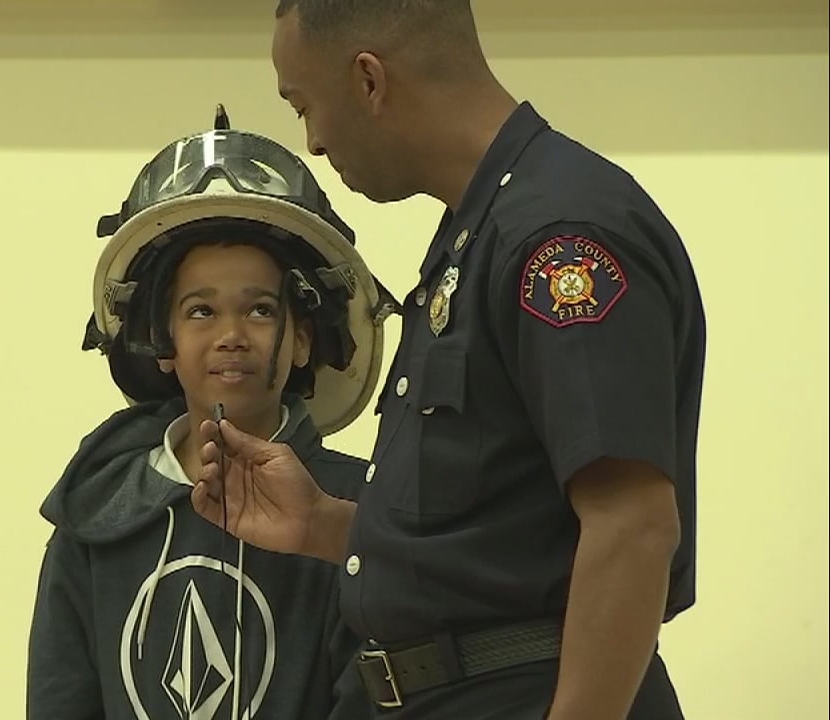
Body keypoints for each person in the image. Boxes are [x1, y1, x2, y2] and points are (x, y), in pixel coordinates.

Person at [189, 3, 707, 720]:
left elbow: (633, 525)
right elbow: (497, 544)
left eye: (305, 106)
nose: (311, 141)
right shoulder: (478, 235)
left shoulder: (559, 237)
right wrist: (322, 523)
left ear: (369, 80)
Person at [26, 106, 399, 720]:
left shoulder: (357, 506)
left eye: (259, 311)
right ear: (162, 341)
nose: (231, 335)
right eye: (201, 312)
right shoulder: (97, 508)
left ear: (303, 339)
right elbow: (60, 697)